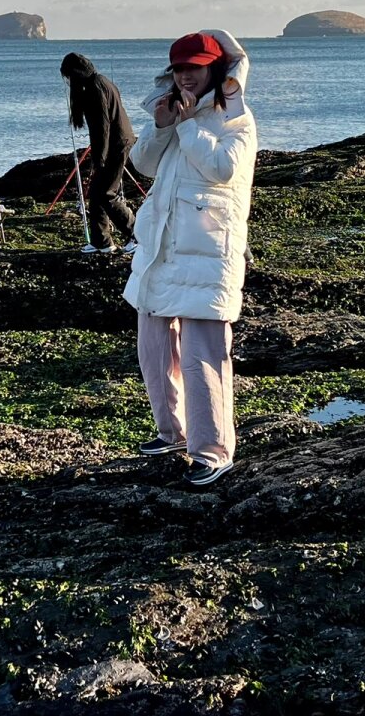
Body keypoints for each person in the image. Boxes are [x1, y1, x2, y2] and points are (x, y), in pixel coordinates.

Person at [122, 30, 257, 487]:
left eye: (195, 68)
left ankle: (214, 451)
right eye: (180, 68)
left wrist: (185, 126)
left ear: (215, 69)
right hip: (162, 247)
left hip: (207, 250)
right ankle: (171, 432)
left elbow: (222, 168)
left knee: (204, 355)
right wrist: (162, 125)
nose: (186, 76)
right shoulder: (174, 111)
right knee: (153, 348)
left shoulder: (235, 117)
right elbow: (141, 164)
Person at [60, 52, 139, 254]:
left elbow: (101, 128)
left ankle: (136, 236)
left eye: (69, 77)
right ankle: (101, 241)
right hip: (120, 140)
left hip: (116, 144)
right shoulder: (101, 81)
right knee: (96, 193)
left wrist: (99, 159)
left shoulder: (95, 89)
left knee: (107, 193)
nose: (68, 83)